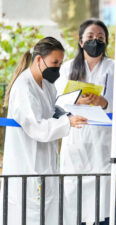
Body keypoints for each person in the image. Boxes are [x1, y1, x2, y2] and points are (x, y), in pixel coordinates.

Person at [55, 19, 116, 225]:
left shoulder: (115, 68)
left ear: (106, 42)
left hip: (105, 139)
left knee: (106, 189)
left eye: (100, 38)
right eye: (90, 37)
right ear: (80, 41)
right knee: (75, 188)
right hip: (77, 137)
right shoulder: (67, 68)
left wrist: (105, 101)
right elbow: (55, 100)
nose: (95, 41)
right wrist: (76, 99)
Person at [0, 37, 87, 225]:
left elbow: (54, 108)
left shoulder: (47, 85)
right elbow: (37, 127)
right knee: (29, 214)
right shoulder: (24, 87)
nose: (57, 67)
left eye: (60, 63)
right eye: (55, 62)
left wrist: (72, 107)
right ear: (39, 60)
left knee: (48, 213)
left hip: (45, 162)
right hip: (28, 163)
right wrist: (67, 122)